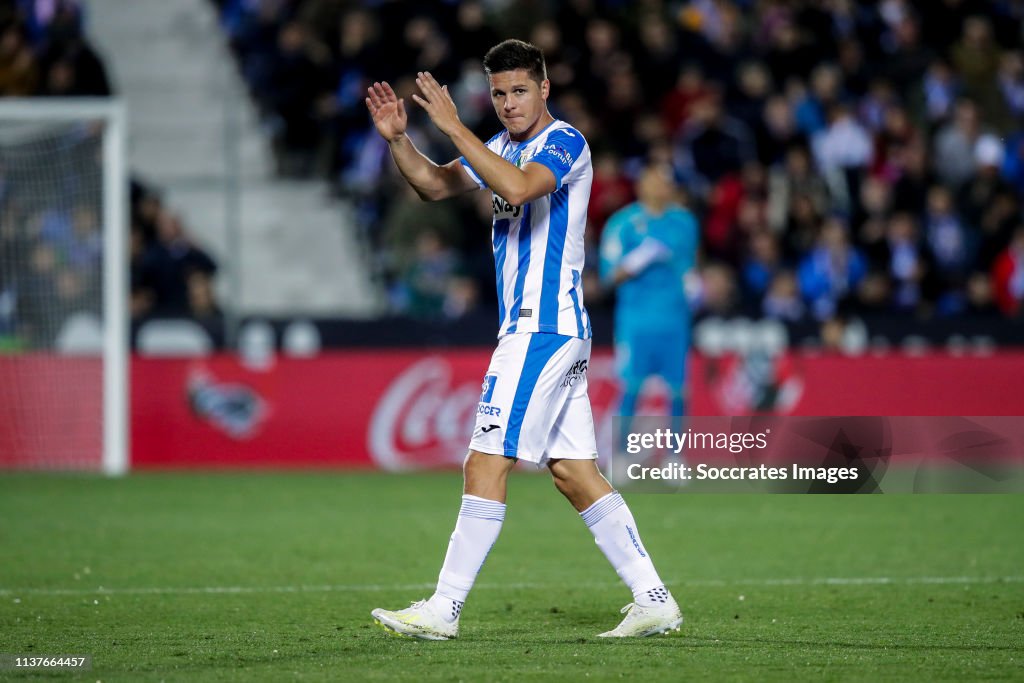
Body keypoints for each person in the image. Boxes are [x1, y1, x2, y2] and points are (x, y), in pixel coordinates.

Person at [365, 39, 681, 640]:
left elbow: (516, 188)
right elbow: (434, 187)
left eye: (519, 91)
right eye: (499, 93)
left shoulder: (565, 143)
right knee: (573, 472)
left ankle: (444, 608)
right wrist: (400, 140)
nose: (509, 104)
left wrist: (455, 127)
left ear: (544, 90)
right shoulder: (498, 147)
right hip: (542, 327)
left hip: (544, 325)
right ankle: (653, 596)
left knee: (485, 458)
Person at [599, 165, 699, 426]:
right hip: (636, 318)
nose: (662, 187)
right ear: (641, 186)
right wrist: (638, 259)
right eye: (656, 181)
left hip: (675, 317)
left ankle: (674, 458)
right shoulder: (622, 223)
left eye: (667, 183)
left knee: (678, 389)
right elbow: (609, 275)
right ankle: (621, 457)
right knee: (631, 385)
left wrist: (695, 285)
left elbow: (690, 265)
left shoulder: (685, 222)